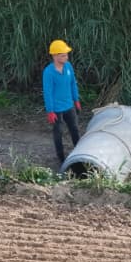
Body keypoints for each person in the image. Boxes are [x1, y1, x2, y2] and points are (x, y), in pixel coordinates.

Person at [43, 39, 83, 167]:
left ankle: (80, 153)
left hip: (69, 106)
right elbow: (47, 92)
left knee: (75, 130)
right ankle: (61, 158)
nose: (66, 57)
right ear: (54, 56)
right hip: (57, 110)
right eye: (63, 55)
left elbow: (73, 83)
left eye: (66, 55)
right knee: (58, 133)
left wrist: (76, 100)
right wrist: (50, 111)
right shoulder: (48, 72)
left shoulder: (68, 66)